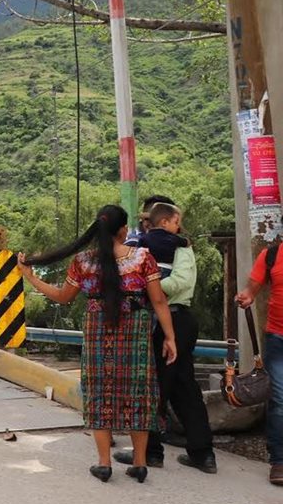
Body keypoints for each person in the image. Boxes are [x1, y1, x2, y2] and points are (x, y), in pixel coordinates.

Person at [18, 204, 177, 483]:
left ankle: (104, 463)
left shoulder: (83, 262)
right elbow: (159, 300)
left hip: (97, 329)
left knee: (99, 392)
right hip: (136, 329)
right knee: (138, 390)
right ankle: (139, 463)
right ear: (122, 230)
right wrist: (170, 337)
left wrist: (30, 278)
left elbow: (62, 296)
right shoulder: (142, 258)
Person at [114, 201, 216, 473]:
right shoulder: (151, 246)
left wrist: (151, 288)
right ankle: (202, 452)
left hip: (172, 319)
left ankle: (151, 451)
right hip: (169, 319)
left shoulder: (181, 246)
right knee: (184, 386)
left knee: (154, 385)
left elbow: (181, 282)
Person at [233, 244, 283, 487]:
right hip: (278, 337)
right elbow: (252, 288)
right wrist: (246, 296)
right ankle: (279, 461)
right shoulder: (271, 255)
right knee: (279, 399)